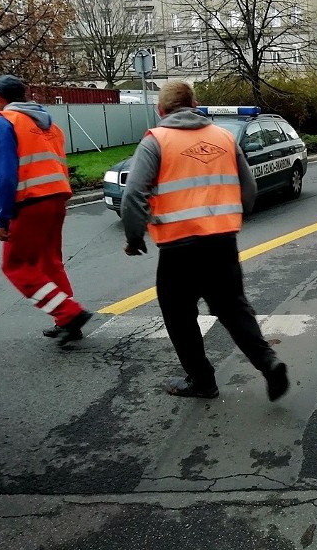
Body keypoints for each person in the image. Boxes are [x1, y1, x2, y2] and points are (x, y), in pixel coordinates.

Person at [120, 80, 289, 401]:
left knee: (179, 316)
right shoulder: (224, 138)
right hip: (221, 244)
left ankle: (202, 380)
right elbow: (249, 191)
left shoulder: (155, 141)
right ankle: (268, 363)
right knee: (234, 309)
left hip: (178, 250)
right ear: (195, 106)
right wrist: (231, 218)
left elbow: (133, 196)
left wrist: (134, 237)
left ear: (161, 110)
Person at [0, 75, 92, 345]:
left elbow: (4, 175)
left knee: (15, 266)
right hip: (57, 198)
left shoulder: (5, 121)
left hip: (30, 201)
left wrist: (3, 218)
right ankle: (66, 320)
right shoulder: (48, 124)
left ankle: (69, 314)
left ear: (0, 97)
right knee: (49, 262)